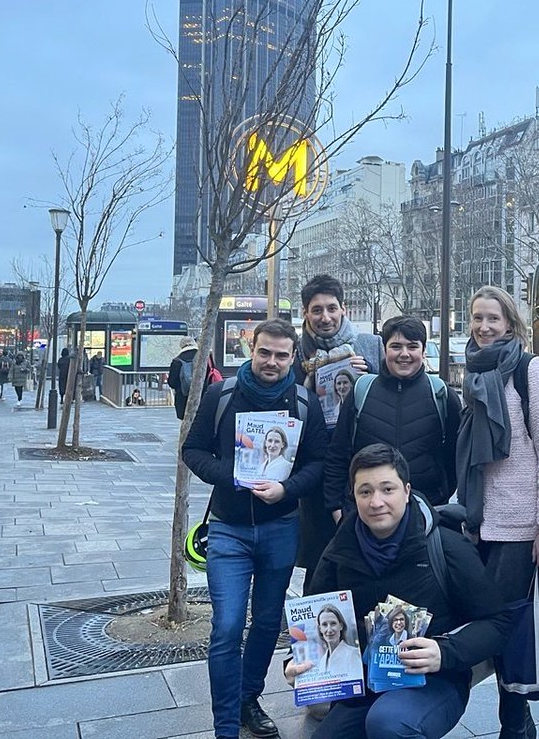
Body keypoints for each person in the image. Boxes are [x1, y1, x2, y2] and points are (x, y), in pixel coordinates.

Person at [286, 442, 512, 739]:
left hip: (434, 680)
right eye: (365, 491)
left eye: (387, 489)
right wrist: (294, 663)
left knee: (388, 724)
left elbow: (498, 623)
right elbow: (313, 624)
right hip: (365, 685)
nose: (376, 501)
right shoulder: (339, 552)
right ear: (353, 496)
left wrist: (444, 652)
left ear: (406, 491)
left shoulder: (445, 546)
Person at [183, 319, 327, 739]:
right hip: (228, 531)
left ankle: (249, 698)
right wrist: (230, 475)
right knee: (227, 626)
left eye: (282, 355)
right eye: (265, 352)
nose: (272, 361)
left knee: (267, 623)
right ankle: (225, 725)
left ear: (293, 357)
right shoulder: (221, 394)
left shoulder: (303, 402)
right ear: (252, 348)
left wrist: (286, 489)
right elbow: (191, 450)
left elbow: (318, 463)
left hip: (280, 527)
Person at [458, 285, 539, 739]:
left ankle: (515, 725)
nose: (485, 327)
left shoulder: (529, 368)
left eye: (493, 319)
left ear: (511, 325)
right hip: (480, 521)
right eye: (478, 318)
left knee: (509, 629)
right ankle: (517, 720)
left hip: (521, 525)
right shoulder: (474, 373)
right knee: (494, 626)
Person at [295, 274, 384, 587]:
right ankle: (319, 631)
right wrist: (305, 387)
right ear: (305, 313)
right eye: (316, 310)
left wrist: (369, 374)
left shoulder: (371, 346)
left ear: (344, 308)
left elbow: (394, 392)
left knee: (368, 553)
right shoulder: (295, 352)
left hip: (363, 462)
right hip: (316, 470)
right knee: (320, 560)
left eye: (331, 308)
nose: (325, 317)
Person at [325, 316, 460, 521]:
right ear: (385, 349)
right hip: (366, 513)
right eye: (396, 346)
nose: (404, 354)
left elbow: (454, 457)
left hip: (426, 512)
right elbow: (338, 452)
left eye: (412, 346)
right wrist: (336, 508)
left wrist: (439, 496)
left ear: (423, 352)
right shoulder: (361, 391)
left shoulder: (442, 395)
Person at [309, 604, 364, 680]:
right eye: (324, 624)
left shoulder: (352, 654)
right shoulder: (322, 661)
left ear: (341, 626)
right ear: (320, 629)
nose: (329, 629)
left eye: (333, 623)